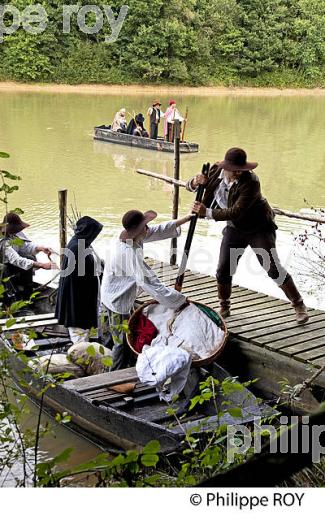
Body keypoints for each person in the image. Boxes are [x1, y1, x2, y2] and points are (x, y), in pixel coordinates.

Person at [187, 147, 309, 325]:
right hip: (234, 227)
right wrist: (195, 182)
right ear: (225, 167)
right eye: (234, 170)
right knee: (223, 267)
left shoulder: (251, 182)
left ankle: (298, 304)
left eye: (240, 170)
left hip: (258, 226)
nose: (237, 173)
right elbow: (189, 185)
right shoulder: (214, 171)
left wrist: (207, 212)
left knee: (272, 267)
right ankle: (224, 305)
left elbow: (236, 211)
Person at [101, 209, 192, 370]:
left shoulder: (132, 237)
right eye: (145, 226)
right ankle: (112, 377)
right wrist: (179, 300)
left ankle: (117, 363)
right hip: (117, 300)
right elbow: (150, 284)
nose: (148, 228)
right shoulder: (128, 252)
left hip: (113, 294)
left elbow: (157, 230)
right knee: (120, 341)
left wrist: (185, 219)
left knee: (120, 335)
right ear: (137, 230)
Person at [55, 216, 103, 344]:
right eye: (94, 233)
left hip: (80, 299)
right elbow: (81, 280)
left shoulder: (79, 243)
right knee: (80, 340)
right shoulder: (78, 248)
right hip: (78, 302)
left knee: (83, 335)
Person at [0, 212, 57, 301]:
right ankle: (11, 297)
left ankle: (27, 293)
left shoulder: (14, 235)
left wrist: (41, 248)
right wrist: (42, 265)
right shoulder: (3, 242)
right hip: (5, 267)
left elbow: (25, 247)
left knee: (30, 258)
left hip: (11, 264)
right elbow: (16, 260)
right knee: (4, 268)